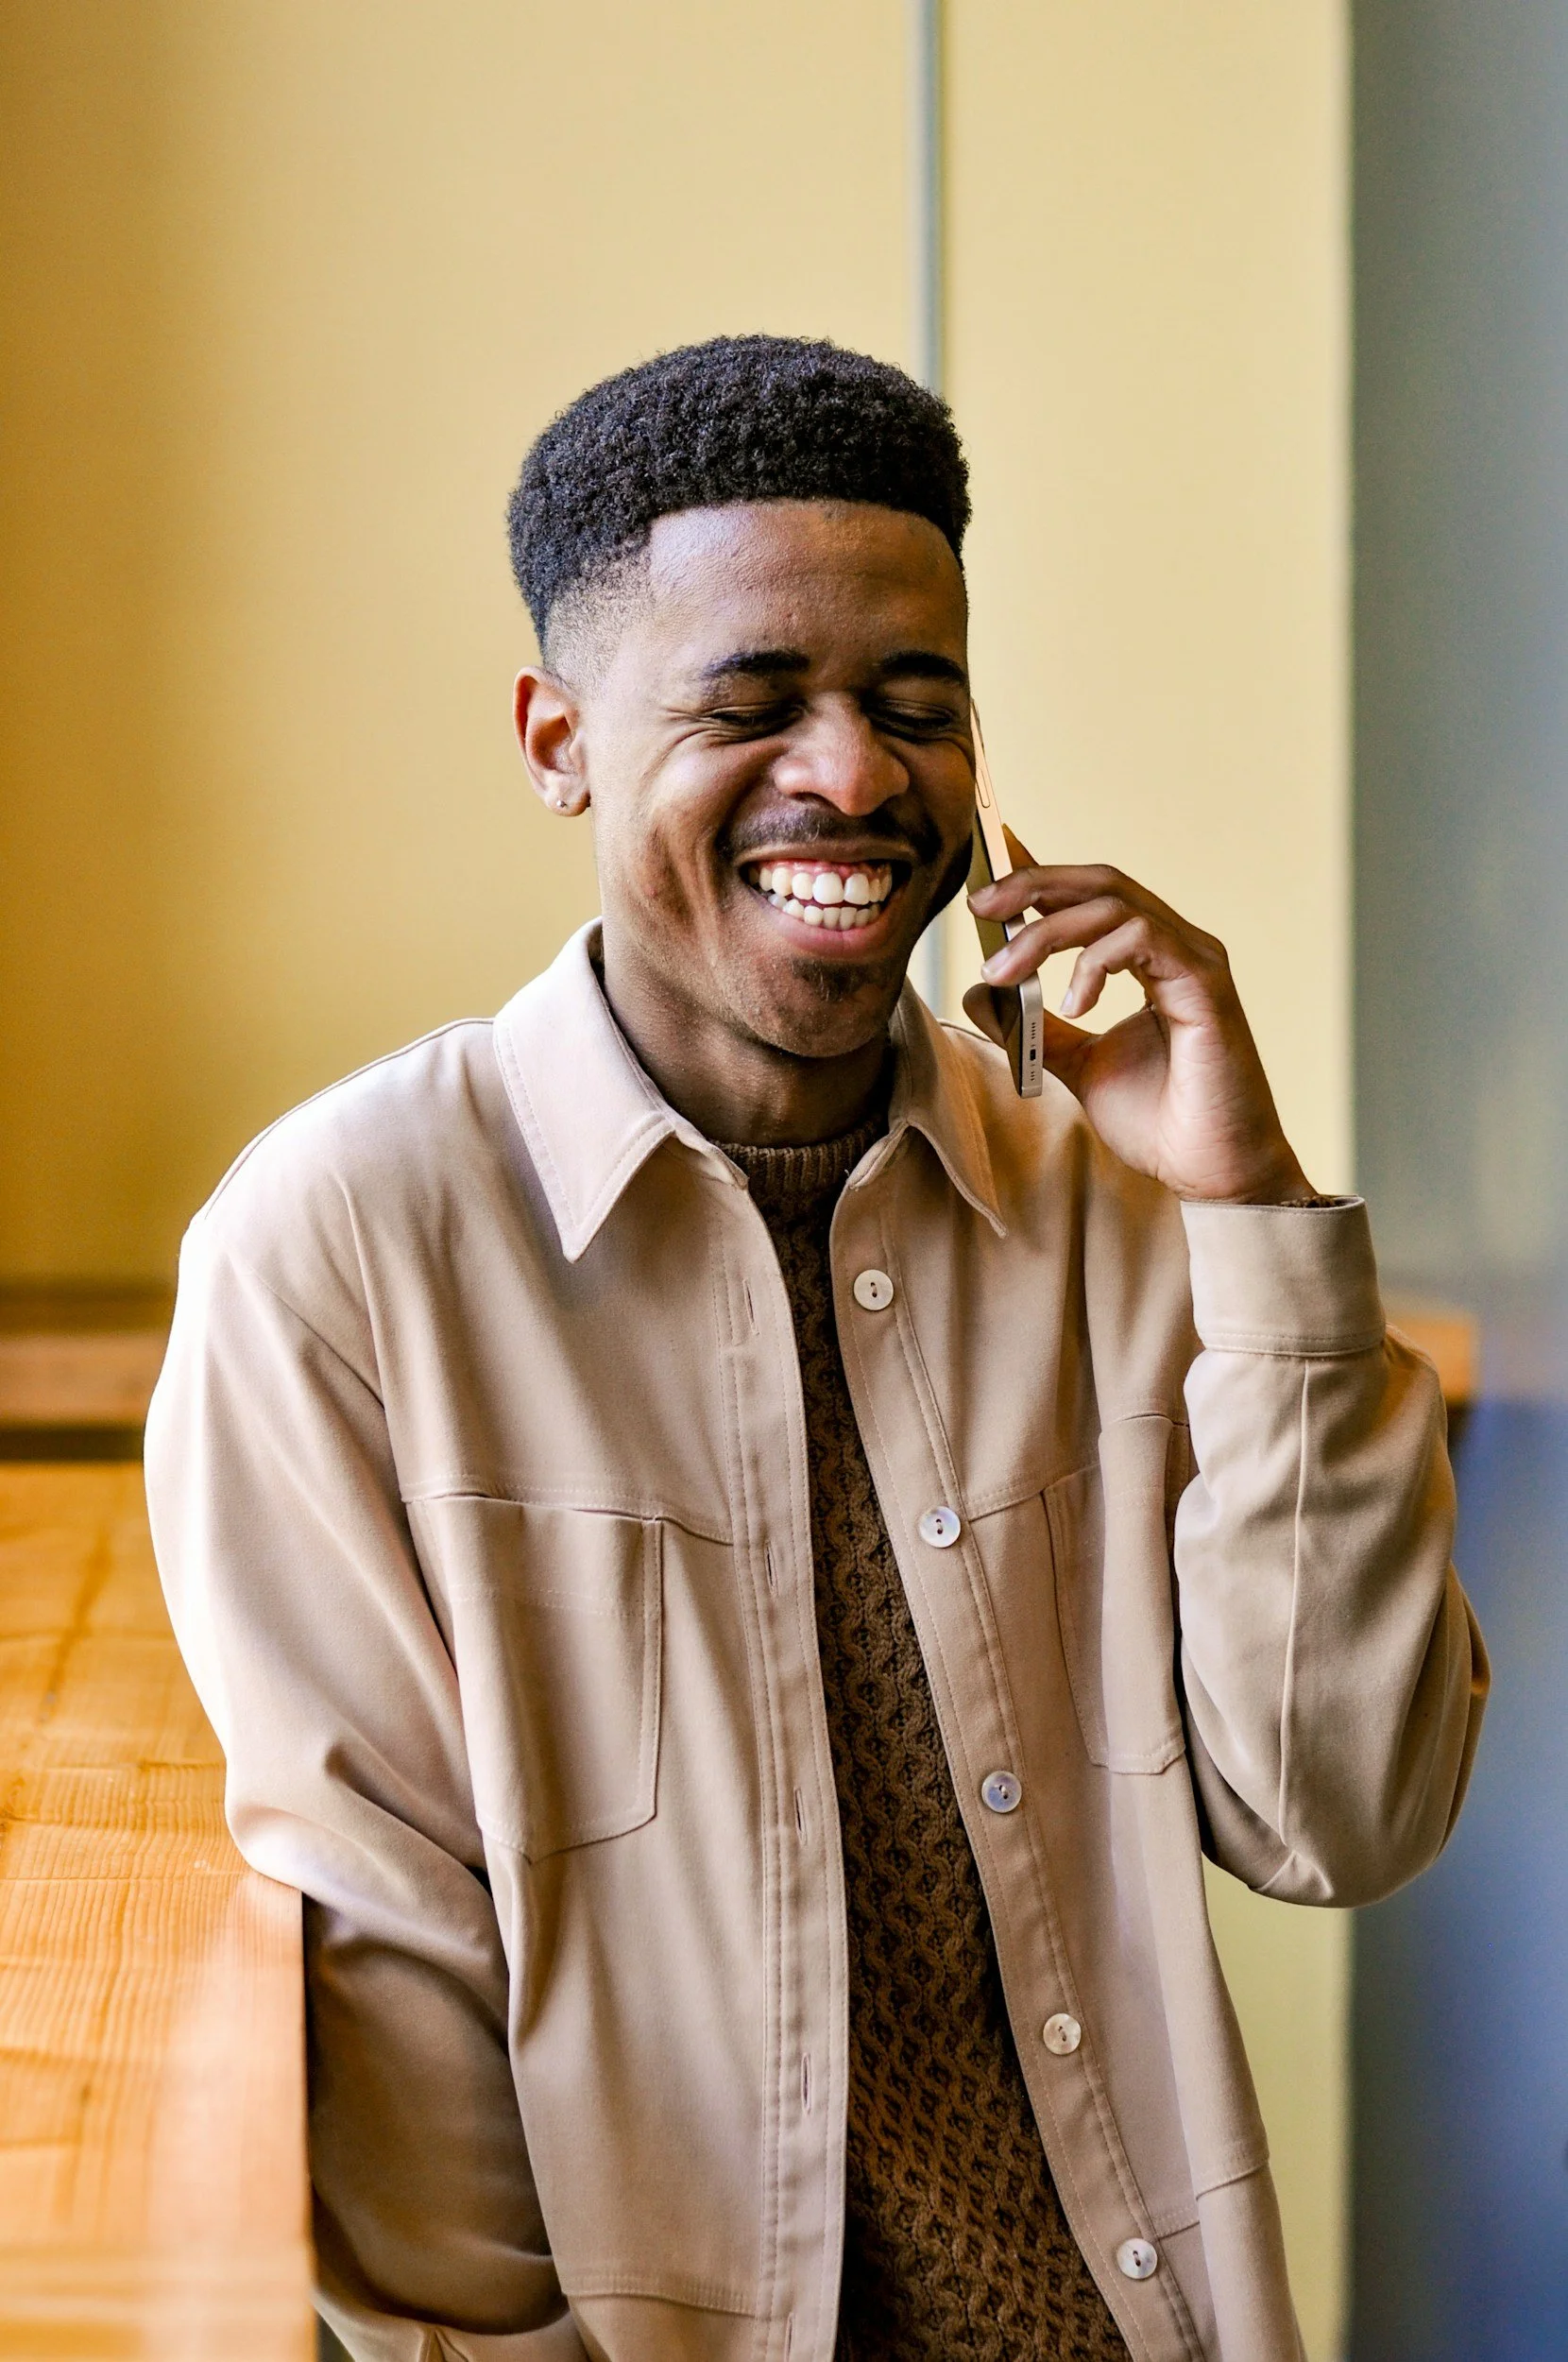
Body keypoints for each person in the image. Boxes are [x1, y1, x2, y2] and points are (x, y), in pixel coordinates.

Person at [145, 335, 1487, 2362]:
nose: (852, 775)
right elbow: (401, 2012)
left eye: (913, 703)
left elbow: (1337, 1810)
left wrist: (1256, 1214)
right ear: (556, 735)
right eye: (751, 700)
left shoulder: (1113, 1198)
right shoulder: (338, 1245)